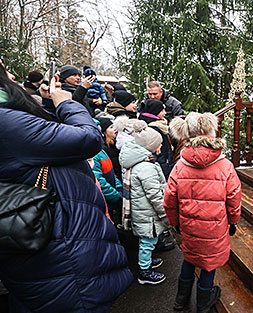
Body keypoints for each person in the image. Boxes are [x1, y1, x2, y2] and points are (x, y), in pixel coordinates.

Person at [0, 60, 133, 312]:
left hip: (51, 249)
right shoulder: (5, 122)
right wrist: (66, 102)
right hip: (63, 255)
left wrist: (48, 103)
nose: (12, 73)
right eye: (5, 67)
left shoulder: (10, 119)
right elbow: (88, 138)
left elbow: (43, 138)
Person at [163, 112, 241, 313]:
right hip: (215, 226)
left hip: (189, 225)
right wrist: (233, 221)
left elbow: (169, 199)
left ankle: (180, 301)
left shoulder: (180, 165)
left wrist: (175, 223)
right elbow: (233, 197)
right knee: (208, 263)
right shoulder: (225, 165)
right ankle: (203, 304)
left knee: (190, 259)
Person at [119, 120, 168, 285]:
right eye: (159, 145)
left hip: (144, 212)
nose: (160, 148)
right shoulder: (146, 167)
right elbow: (155, 195)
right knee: (147, 241)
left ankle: (145, 262)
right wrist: (165, 214)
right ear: (150, 146)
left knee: (148, 241)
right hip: (148, 215)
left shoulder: (141, 162)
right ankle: (144, 271)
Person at [139, 99, 174, 179]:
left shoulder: (160, 125)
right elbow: (159, 153)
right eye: (162, 111)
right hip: (163, 167)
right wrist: (166, 169)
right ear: (154, 112)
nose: (165, 113)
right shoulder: (154, 129)